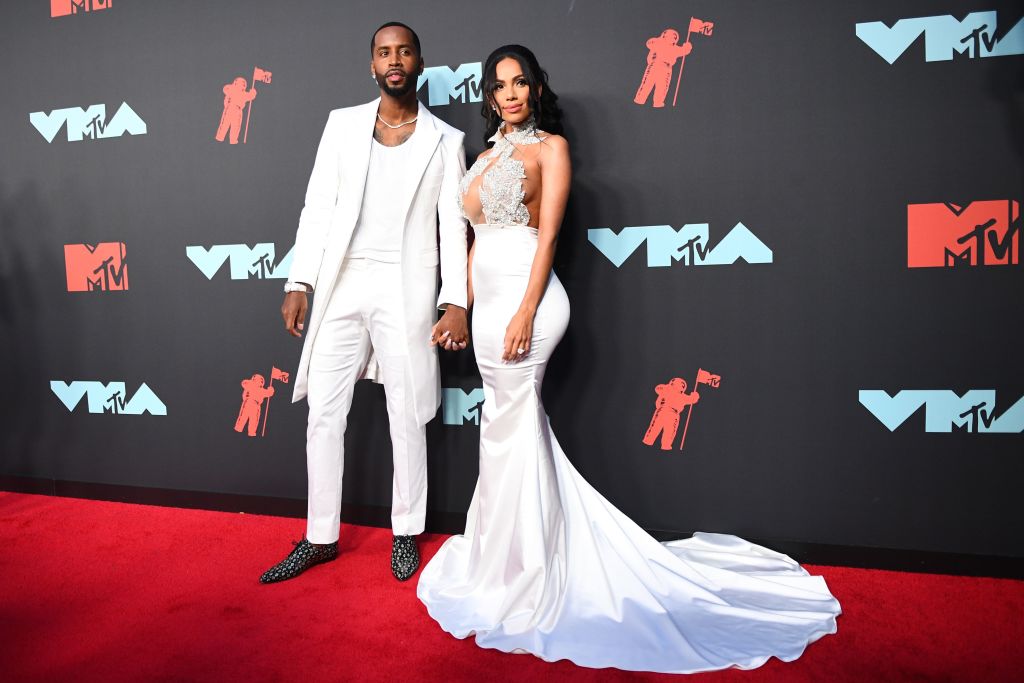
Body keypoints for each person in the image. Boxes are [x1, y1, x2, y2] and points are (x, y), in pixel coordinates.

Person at [416, 45, 841, 674]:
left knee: (513, 421)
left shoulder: (551, 149)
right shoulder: (480, 160)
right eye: (500, 86)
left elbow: (549, 237)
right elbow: (476, 245)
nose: (510, 94)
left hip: (533, 302)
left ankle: (529, 569)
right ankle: (503, 555)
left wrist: (526, 312)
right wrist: (458, 308)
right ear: (489, 96)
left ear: (536, 89)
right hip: (487, 310)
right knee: (504, 429)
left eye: (520, 82)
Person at [260, 22, 469, 584]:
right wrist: (299, 281)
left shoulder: (446, 140)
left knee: (408, 412)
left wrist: (455, 301)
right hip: (342, 284)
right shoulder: (342, 124)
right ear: (371, 64)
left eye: (404, 51)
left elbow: (453, 227)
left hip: (406, 288)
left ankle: (406, 531)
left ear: (419, 62)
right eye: (383, 52)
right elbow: (317, 207)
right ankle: (319, 536)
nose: (393, 60)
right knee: (324, 413)